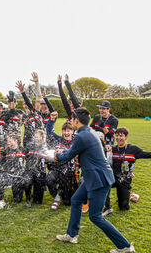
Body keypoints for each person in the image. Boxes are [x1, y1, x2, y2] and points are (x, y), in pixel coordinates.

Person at [55, 108, 135, 253]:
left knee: (95, 217)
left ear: (76, 121)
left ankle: (126, 246)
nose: (71, 122)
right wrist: (62, 153)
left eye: (72, 119)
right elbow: (73, 152)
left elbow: (68, 155)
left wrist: (57, 155)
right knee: (76, 200)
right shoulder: (87, 131)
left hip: (99, 179)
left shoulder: (81, 136)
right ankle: (72, 235)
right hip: (94, 176)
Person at [103, 127, 151, 215]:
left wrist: (129, 171)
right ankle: (108, 207)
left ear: (126, 137)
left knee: (123, 207)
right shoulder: (112, 149)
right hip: (113, 178)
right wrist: (105, 147)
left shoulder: (133, 149)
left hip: (124, 180)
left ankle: (129, 195)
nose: (118, 138)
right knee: (103, 182)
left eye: (121, 136)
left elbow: (147, 154)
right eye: (117, 136)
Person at [46, 112, 78, 210]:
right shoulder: (59, 139)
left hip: (70, 171)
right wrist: (51, 120)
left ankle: (62, 192)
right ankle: (57, 196)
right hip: (57, 168)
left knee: (68, 202)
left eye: (69, 131)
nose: (66, 133)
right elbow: (49, 132)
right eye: (64, 131)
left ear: (72, 131)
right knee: (49, 179)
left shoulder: (76, 141)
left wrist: (63, 151)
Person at [0, 132, 32, 208]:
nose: (8, 143)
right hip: (10, 176)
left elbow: (30, 161)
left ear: (16, 141)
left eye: (10, 141)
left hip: (20, 176)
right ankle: (1, 201)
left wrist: (26, 172)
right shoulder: (5, 151)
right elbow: (1, 164)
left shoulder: (23, 150)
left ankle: (28, 199)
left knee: (27, 180)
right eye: (7, 141)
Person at [24, 129, 48, 206]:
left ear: (42, 137)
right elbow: (23, 156)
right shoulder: (29, 146)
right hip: (30, 170)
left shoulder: (45, 148)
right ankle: (28, 198)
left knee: (38, 201)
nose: (36, 139)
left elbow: (48, 162)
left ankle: (36, 193)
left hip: (40, 173)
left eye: (38, 137)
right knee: (27, 181)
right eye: (35, 137)